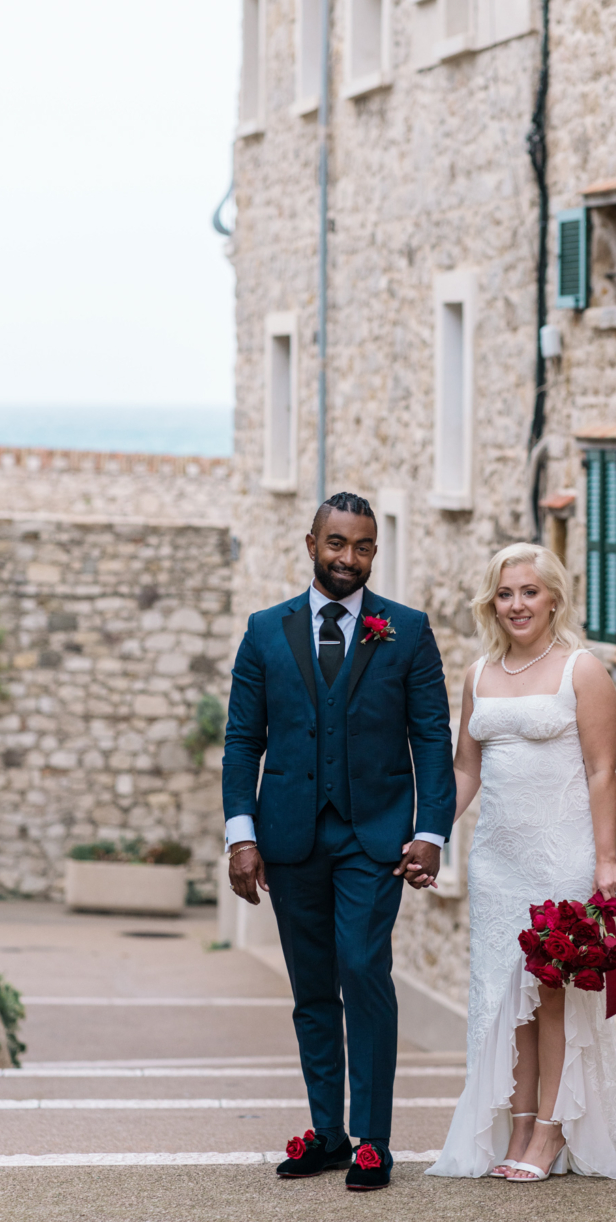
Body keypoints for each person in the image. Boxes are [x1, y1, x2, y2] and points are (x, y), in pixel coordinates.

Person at [224, 492, 456, 1193]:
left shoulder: (406, 631)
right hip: (289, 835)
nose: (346, 558)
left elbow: (430, 739)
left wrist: (430, 830)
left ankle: (373, 1140)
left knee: (362, 967)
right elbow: (242, 741)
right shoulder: (266, 631)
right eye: (335, 543)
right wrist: (241, 834)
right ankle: (326, 1132)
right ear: (310, 543)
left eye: (360, 547)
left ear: (373, 552)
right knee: (311, 988)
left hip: (373, 835)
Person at [425, 543, 616, 1181]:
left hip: (562, 857)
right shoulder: (478, 674)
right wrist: (431, 834)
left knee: (551, 993)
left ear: (553, 597)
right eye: (505, 593)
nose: (516, 604)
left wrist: (606, 861)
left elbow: (603, 771)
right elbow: (466, 768)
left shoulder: (583, 670)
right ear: (491, 602)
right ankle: (516, 1127)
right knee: (504, 997)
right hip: (497, 861)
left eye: (528, 592)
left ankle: (550, 1133)